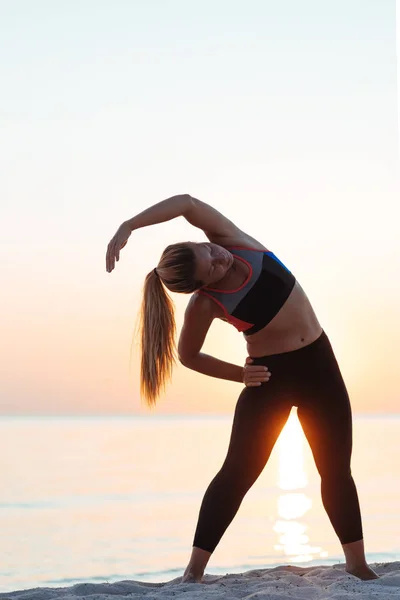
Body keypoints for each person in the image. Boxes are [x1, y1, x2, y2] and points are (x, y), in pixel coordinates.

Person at [105, 193, 379, 582]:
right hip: (270, 378)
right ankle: (193, 574)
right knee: (237, 473)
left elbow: (185, 203)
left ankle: (357, 565)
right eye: (211, 267)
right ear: (201, 285)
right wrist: (240, 375)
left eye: (208, 249)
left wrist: (129, 224)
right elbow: (189, 355)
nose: (219, 258)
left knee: (335, 470)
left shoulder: (235, 241)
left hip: (320, 365)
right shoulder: (205, 304)